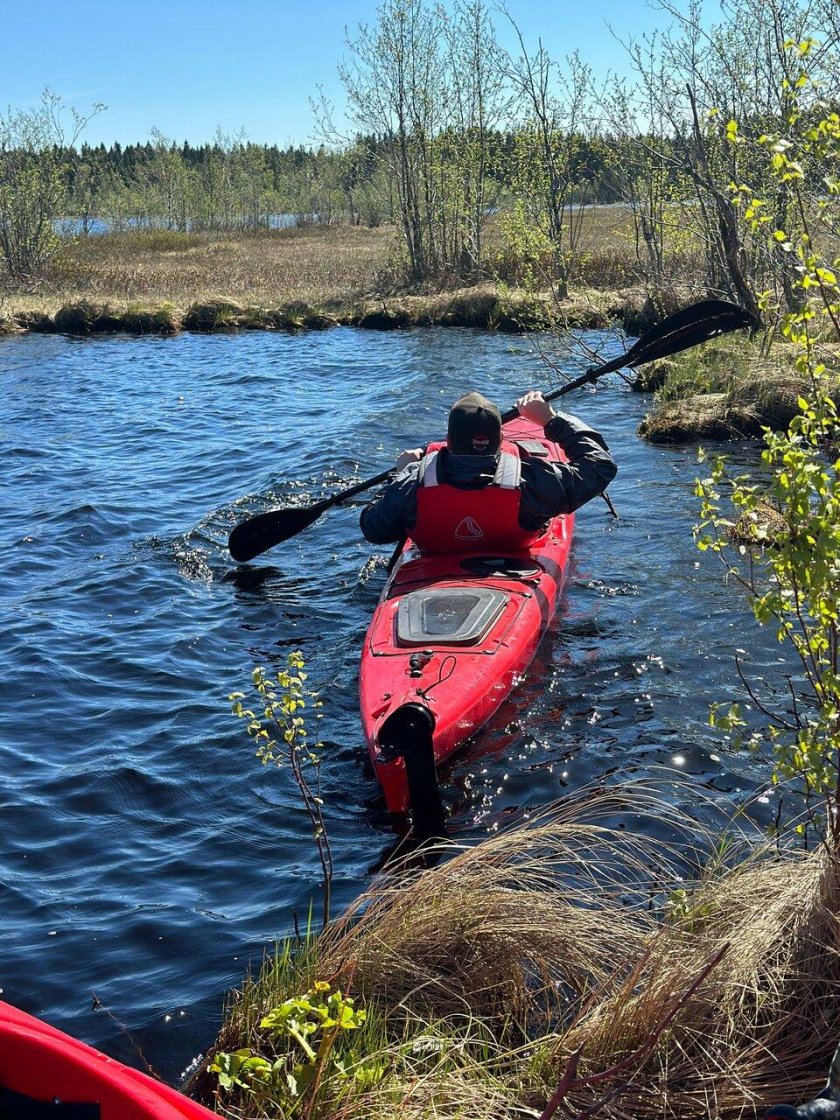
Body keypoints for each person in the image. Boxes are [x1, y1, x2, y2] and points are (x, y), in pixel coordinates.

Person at [359, 389, 617, 549]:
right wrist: (551, 420)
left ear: (448, 441)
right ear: (502, 441)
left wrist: (400, 474)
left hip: (434, 569)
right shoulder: (534, 480)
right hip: (512, 566)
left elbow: (374, 530)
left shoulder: (412, 482)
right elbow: (600, 467)